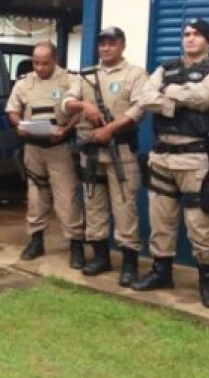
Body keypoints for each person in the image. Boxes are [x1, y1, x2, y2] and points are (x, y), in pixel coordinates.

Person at [132, 18, 209, 309]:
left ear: (208, 40)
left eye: (197, 34)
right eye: (186, 34)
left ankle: (207, 283)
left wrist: (167, 94)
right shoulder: (165, 66)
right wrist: (176, 99)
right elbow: (144, 97)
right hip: (161, 154)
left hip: (195, 157)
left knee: (199, 224)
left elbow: (203, 98)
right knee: (160, 221)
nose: (189, 38)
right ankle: (161, 272)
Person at [62, 27, 148, 285]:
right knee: (93, 204)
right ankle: (100, 257)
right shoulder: (86, 74)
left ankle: (129, 264)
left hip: (121, 151)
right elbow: (65, 103)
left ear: (122, 45)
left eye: (112, 43)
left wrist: (110, 129)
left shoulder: (135, 74)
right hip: (91, 150)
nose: (106, 48)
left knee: (125, 206)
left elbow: (139, 109)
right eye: (102, 44)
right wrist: (83, 105)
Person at [6, 40, 86, 268]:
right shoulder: (24, 83)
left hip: (59, 147)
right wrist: (18, 125)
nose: (40, 68)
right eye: (36, 63)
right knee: (35, 196)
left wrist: (66, 130)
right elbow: (13, 110)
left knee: (66, 197)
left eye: (45, 63)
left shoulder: (70, 80)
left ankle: (76, 245)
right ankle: (36, 240)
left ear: (55, 60)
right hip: (33, 147)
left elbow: (78, 111)